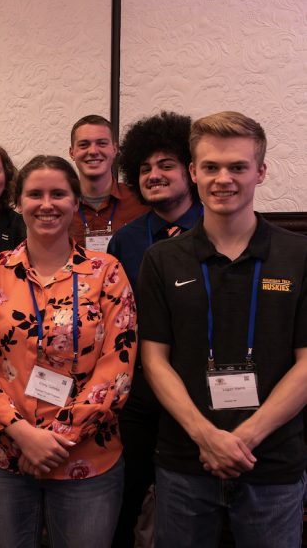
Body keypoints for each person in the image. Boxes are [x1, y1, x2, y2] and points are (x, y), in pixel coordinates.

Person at [137, 111, 307, 548]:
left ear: (261, 172)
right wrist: (206, 437)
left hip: (271, 464)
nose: (222, 178)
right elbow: (154, 360)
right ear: (193, 172)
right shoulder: (162, 259)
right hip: (185, 461)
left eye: (237, 166)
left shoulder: (298, 255)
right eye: (210, 167)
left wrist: (243, 437)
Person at [0, 155, 137, 548]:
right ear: (18, 203)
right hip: (1, 457)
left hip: (87, 458)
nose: (46, 204)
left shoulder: (107, 272)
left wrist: (55, 439)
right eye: (35, 194)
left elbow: (117, 369)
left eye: (58, 194)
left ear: (75, 202)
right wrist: (23, 436)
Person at [106, 111, 200, 548]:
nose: (154, 174)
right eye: (145, 167)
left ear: (191, 171)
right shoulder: (126, 239)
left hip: (200, 384)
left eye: (166, 165)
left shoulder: (214, 227)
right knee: (129, 490)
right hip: (139, 389)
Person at [68, 115, 149, 249]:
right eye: (84, 145)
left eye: (102, 143)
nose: (93, 151)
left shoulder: (141, 200)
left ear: (115, 149)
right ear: (72, 153)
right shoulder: (60, 205)